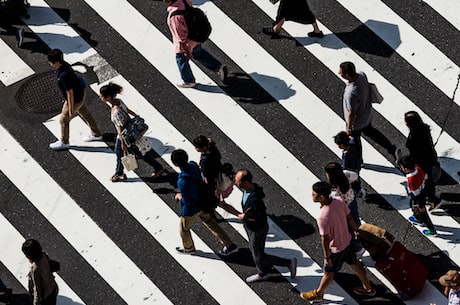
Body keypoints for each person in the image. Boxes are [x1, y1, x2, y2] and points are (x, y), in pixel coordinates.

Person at [300, 181, 375, 302]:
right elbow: (349, 217)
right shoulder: (339, 201)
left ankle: (318, 294)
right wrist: (357, 230)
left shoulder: (323, 216)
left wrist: (327, 257)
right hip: (347, 240)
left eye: (314, 194)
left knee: (328, 272)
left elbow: (325, 238)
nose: (312, 196)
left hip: (336, 249)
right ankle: (368, 288)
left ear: (322, 197)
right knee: (355, 263)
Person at [171, 149, 238, 255]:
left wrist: (179, 196)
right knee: (211, 223)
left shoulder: (182, 182)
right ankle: (229, 244)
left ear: (175, 164)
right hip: (204, 201)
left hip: (192, 209)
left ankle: (189, 248)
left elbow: (187, 201)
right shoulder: (193, 165)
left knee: (184, 229)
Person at [234, 168, 297, 283]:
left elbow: (260, 217)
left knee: (259, 256)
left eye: (237, 181)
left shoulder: (255, 199)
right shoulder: (248, 190)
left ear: (246, 183)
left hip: (257, 229)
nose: (235, 183)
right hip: (250, 226)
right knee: (254, 251)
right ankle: (262, 271)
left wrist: (246, 217)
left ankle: (287, 263)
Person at [99, 83, 165, 182]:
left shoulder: (116, 111)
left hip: (126, 137)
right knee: (123, 154)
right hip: (131, 132)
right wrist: (137, 117)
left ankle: (158, 168)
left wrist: (122, 143)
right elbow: (128, 110)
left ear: (108, 97)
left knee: (141, 154)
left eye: (101, 96)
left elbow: (120, 128)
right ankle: (119, 173)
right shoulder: (119, 102)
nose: (100, 97)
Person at [339, 61, 400, 165]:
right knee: (373, 133)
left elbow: (351, 113)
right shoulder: (362, 75)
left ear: (347, 75)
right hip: (367, 114)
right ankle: (391, 148)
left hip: (357, 123)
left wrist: (349, 128)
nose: (339, 74)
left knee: (356, 141)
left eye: (341, 73)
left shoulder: (350, 93)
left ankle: (358, 161)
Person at [163, 0, 228, 88]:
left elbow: (181, 37)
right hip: (195, 36)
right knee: (199, 54)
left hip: (186, 42)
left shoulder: (175, 17)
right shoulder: (184, 1)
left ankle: (188, 80)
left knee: (181, 60)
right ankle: (218, 68)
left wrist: (185, 50)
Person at [47, 49, 103, 150]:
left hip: (74, 99)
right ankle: (96, 133)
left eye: (51, 62)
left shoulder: (63, 76)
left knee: (63, 120)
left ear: (56, 62)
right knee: (86, 114)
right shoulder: (65, 65)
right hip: (80, 95)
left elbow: (70, 93)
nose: (49, 63)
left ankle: (64, 142)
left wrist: (71, 110)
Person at [192, 135, 240, 216]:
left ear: (203, 147)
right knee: (219, 203)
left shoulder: (206, 161)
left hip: (214, 185)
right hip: (219, 175)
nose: (196, 148)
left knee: (220, 203)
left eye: (197, 147)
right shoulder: (213, 148)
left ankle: (241, 215)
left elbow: (209, 178)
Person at [404, 111, 440, 210]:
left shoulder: (413, 137)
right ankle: (432, 199)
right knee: (429, 179)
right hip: (430, 156)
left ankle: (432, 200)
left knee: (425, 181)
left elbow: (414, 152)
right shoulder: (424, 129)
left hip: (422, 162)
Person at [399, 155, 437, 236]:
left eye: (402, 167)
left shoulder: (411, 180)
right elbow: (426, 177)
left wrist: (421, 205)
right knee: (412, 205)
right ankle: (417, 217)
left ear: (406, 169)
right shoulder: (418, 168)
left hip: (418, 197)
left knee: (423, 213)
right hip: (423, 190)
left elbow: (416, 194)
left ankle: (431, 229)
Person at [21, 239, 58, 305]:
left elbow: (37, 289)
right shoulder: (44, 255)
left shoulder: (35, 270)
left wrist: (35, 303)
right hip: (53, 288)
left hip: (46, 296)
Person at [334, 131, 365, 197]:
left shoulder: (346, 155)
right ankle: (359, 189)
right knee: (357, 179)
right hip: (357, 166)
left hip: (352, 170)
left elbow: (345, 167)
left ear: (342, 145)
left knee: (353, 182)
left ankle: (359, 191)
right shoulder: (352, 144)